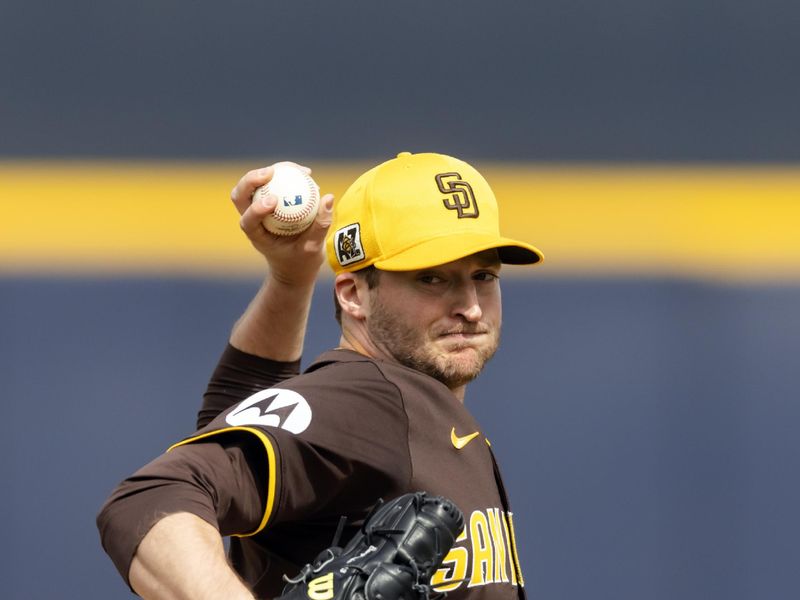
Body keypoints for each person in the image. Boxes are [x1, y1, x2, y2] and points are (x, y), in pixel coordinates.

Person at [97, 152, 543, 600]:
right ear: (353, 295)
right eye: (431, 279)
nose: (470, 306)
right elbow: (151, 498)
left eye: (483, 275)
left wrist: (290, 280)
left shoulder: (415, 410)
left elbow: (239, 411)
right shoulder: (372, 402)